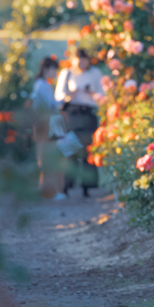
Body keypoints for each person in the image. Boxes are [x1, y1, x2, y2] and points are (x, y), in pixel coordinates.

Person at [54, 47, 104, 197]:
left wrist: (92, 93)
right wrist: (70, 94)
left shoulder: (94, 73)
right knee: (71, 148)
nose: (82, 63)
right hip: (73, 113)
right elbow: (58, 96)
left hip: (89, 112)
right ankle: (67, 185)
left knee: (88, 149)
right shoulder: (67, 73)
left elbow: (102, 94)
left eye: (84, 59)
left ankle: (87, 186)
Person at [31, 56, 66, 200]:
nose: (55, 73)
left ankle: (47, 190)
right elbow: (52, 105)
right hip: (46, 125)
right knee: (49, 158)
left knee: (45, 157)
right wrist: (64, 99)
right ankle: (51, 191)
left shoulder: (40, 84)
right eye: (53, 70)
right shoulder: (43, 86)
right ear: (46, 69)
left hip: (43, 125)